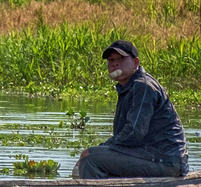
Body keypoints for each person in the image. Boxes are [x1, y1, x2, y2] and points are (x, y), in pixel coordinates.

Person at [73, 39, 188, 179]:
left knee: (90, 159)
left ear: (136, 62)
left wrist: (102, 148)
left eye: (121, 59)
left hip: (164, 161)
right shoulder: (127, 87)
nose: (115, 64)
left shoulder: (143, 86)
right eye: (111, 60)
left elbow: (134, 133)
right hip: (151, 157)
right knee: (94, 158)